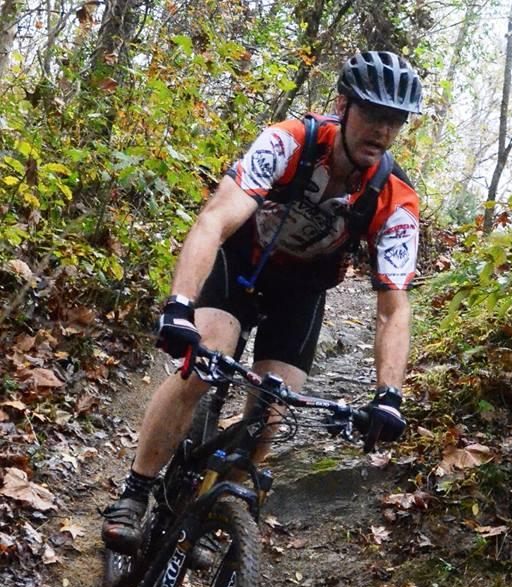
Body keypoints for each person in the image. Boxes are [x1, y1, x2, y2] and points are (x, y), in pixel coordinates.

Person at [102, 50, 423, 556]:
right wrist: (179, 305)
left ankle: (209, 510)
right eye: (373, 115)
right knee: (201, 364)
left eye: (395, 121)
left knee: (269, 416)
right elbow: (214, 220)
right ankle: (137, 489)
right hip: (240, 268)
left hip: (301, 294)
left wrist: (389, 394)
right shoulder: (287, 141)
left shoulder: (395, 197)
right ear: (343, 105)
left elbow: (393, 305)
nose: (382, 131)